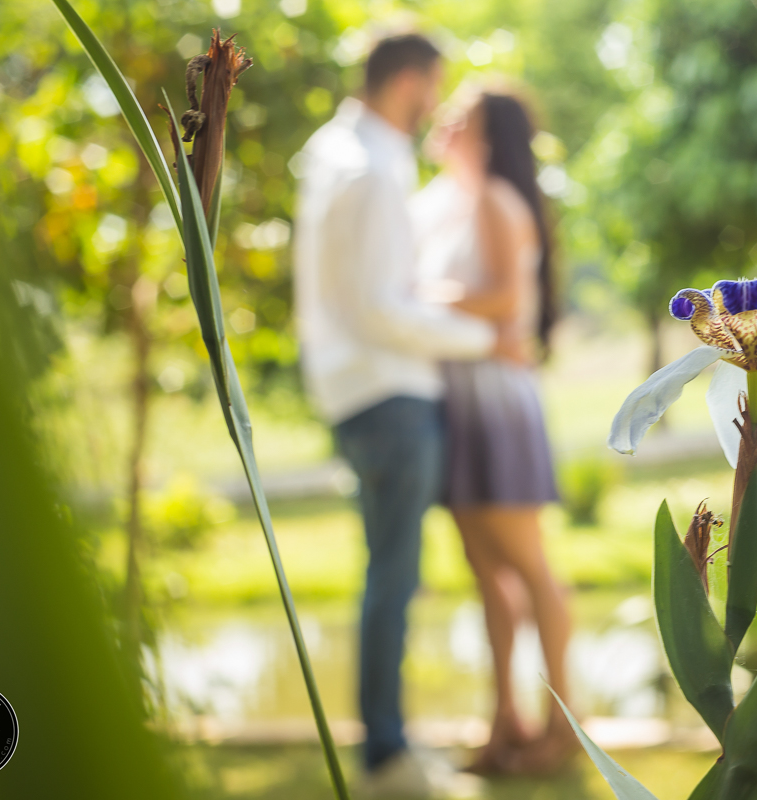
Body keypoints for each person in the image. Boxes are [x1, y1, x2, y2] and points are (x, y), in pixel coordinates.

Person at [294, 35, 511, 797]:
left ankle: (386, 745)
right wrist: (487, 340)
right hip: (389, 391)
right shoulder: (374, 165)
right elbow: (383, 308)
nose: (435, 105)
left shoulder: (333, 152)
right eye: (434, 87)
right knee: (395, 574)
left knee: (386, 571)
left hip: (353, 389)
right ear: (411, 81)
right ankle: (387, 756)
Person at [413, 86, 577, 776]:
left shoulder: (493, 200)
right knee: (487, 572)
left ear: (485, 136)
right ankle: (506, 721)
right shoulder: (449, 203)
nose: (444, 122)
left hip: (495, 400)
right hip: (459, 398)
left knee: (528, 565)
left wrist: (413, 301)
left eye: (461, 118)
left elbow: (507, 299)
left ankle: (566, 726)